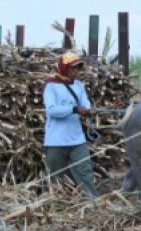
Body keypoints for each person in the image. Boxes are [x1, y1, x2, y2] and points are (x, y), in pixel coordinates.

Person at [42, 51, 100, 199]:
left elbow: (85, 103)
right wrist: (74, 109)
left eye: (78, 69)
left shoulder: (79, 86)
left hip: (76, 139)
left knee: (85, 171)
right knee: (53, 176)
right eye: (73, 68)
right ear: (64, 68)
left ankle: (92, 202)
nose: (76, 72)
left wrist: (88, 110)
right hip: (56, 140)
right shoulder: (51, 86)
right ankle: (51, 203)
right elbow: (52, 110)